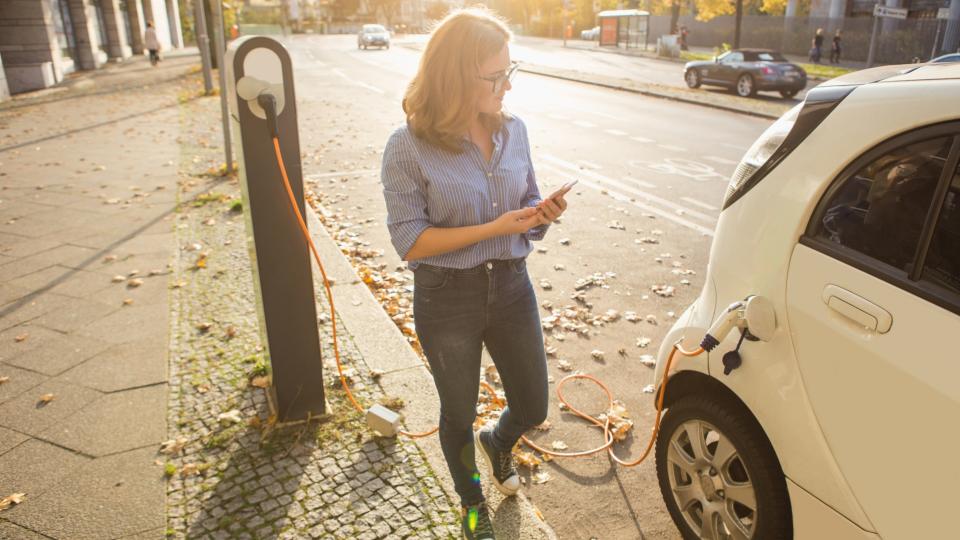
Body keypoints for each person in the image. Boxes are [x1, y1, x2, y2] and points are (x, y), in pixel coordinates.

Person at [380, 7, 566, 539]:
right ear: (457, 76)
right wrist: (492, 227)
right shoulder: (407, 145)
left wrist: (539, 215)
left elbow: (525, 205)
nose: (508, 86)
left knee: (532, 403)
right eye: (497, 76)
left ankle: (499, 441)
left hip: (511, 284)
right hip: (447, 295)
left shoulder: (515, 131)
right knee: (457, 411)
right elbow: (409, 240)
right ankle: (470, 503)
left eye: (511, 72)